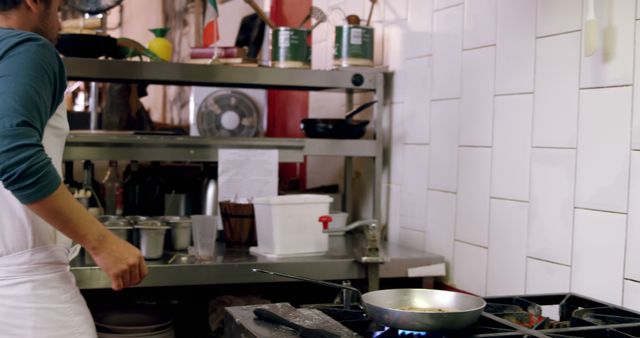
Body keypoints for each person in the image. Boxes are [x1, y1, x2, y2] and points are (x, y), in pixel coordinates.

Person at [0, 0, 148, 337]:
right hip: (25, 297)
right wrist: (102, 243)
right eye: (58, 8)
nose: (60, 20)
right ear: (34, 3)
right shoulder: (27, 48)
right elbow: (12, 151)